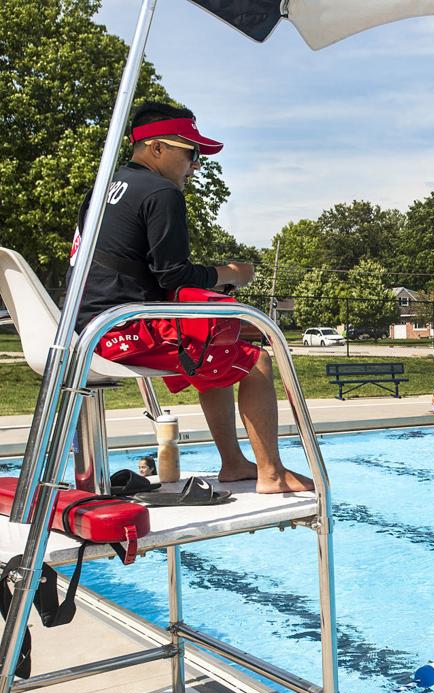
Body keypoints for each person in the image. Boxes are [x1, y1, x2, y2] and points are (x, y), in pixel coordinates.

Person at [71, 101, 312, 494]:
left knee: (215, 342)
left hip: (86, 327)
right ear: (157, 148)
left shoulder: (102, 191)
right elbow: (173, 275)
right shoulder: (161, 192)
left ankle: (234, 463)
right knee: (257, 361)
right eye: (191, 152)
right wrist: (229, 274)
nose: (196, 165)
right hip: (122, 330)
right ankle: (271, 473)